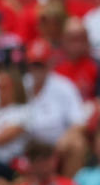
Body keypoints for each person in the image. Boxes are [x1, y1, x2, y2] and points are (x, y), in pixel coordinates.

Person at [24, 39, 89, 176]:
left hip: (56, 147)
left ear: (50, 63)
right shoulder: (21, 85)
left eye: (41, 64)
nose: (37, 69)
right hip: (26, 147)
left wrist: (65, 140)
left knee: (77, 144)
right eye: (34, 64)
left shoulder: (63, 86)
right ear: (28, 65)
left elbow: (79, 123)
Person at [54, 17, 100, 102]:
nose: (78, 44)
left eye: (81, 39)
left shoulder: (96, 66)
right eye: (73, 39)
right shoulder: (53, 66)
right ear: (63, 40)